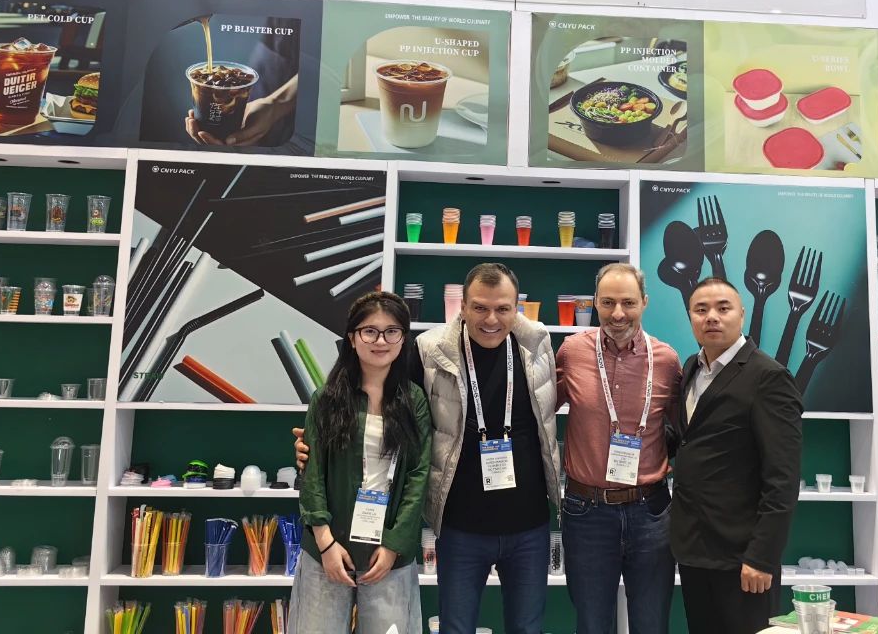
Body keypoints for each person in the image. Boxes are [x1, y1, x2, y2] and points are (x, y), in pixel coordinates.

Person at [293, 263, 561, 634]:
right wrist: (309, 447)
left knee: (528, 627)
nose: (491, 319)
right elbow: (386, 416)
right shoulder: (430, 350)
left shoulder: (538, 344)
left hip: (529, 523)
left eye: (503, 308)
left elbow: (562, 408)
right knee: (455, 627)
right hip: (461, 525)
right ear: (462, 307)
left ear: (517, 308)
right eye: (480, 307)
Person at [667, 278, 803, 634]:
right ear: (690, 317)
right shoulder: (692, 368)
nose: (711, 317)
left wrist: (762, 557)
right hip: (694, 548)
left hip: (743, 556)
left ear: (742, 314)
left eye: (722, 308)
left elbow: (783, 479)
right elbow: (687, 438)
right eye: (701, 310)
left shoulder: (769, 377)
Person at [290, 291, 432, 633]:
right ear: (352, 338)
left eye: (391, 331)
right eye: (370, 331)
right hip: (328, 548)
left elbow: (418, 475)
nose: (380, 341)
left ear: (403, 339)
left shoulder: (414, 400)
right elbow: (312, 475)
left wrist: (394, 545)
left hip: (388, 551)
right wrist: (325, 542)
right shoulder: (326, 399)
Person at [555, 263, 682, 634]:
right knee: (592, 625)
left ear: (644, 302)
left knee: (651, 624)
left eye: (628, 302)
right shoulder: (572, 352)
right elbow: (539, 411)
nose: (618, 313)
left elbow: (685, 429)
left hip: (651, 512)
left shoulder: (667, 360)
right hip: (586, 512)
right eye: (608, 302)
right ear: (595, 302)